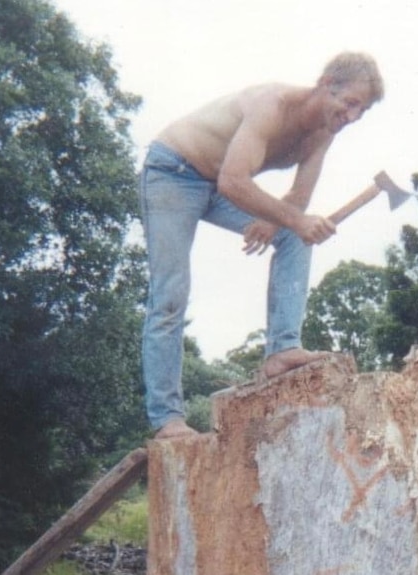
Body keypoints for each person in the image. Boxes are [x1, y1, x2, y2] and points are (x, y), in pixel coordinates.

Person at [139, 52, 384, 439]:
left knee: (293, 235)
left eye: (362, 111)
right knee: (170, 293)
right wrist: (293, 220)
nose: (352, 117)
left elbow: (298, 201)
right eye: (350, 103)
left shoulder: (324, 133)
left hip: (220, 181)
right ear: (326, 83)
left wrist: (282, 222)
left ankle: (283, 349)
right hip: (174, 171)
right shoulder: (271, 105)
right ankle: (167, 419)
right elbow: (234, 182)